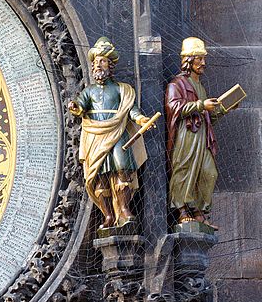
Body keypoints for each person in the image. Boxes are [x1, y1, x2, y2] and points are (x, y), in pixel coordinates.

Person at [68, 37, 154, 228]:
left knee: (123, 169)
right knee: (100, 176)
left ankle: (123, 209)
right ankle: (108, 215)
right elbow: (81, 106)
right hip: (97, 135)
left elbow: (131, 109)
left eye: (103, 61)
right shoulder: (89, 91)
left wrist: (140, 119)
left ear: (110, 65)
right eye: (96, 61)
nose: (99, 65)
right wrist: (75, 107)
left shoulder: (121, 89)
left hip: (117, 132)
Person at [165, 37, 231, 229]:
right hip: (186, 136)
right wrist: (201, 105)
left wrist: (224, 108)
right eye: (199, 59)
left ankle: (200, 211)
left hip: (202, 135)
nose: (203, 63)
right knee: (184, 170)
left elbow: (206, 116)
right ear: (188, 60)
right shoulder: (177, 84)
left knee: (209, 172)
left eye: (203, 58)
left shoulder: (200, 86)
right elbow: (172, 106)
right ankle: (183, 210)